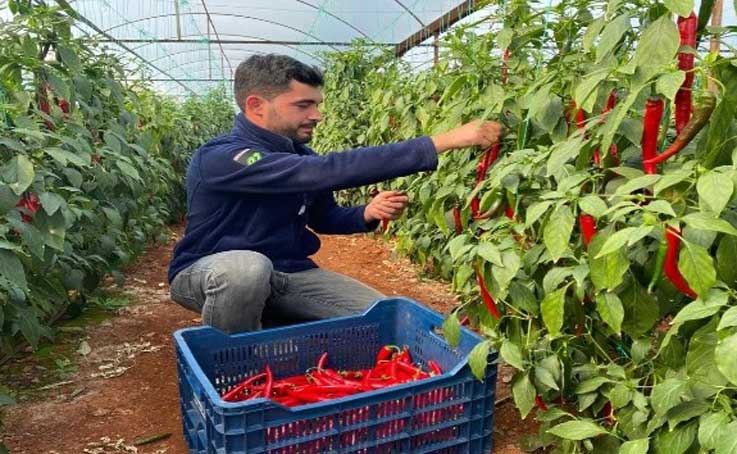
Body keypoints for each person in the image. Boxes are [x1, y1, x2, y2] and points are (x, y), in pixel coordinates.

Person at [167, 54, 503, 334]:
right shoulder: (223, 157)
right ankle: (230, 370)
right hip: (209, 274)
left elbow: (323, 216)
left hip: (289, 275)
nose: (317, 115)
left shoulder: (302, 158)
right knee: (246, 269)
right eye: (304, 105)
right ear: (257, 106)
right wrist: (439, 142)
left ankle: (272, 316)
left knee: (385, 320)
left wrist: (366, 213)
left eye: (317, 104)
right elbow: (324, 171)